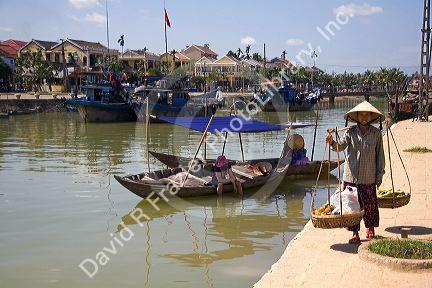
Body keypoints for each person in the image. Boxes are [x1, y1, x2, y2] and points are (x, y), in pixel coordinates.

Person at [325, 101, 385, 244]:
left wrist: (379, 175)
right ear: (357, 116)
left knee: (370, 206)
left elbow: (380, 157)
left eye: (367, 114)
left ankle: (370, 228)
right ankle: (355, 233)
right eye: (361, 114)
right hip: (351, 177)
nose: (364, 117)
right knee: (352, 208)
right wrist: (332, 141)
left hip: (368, 177)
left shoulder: (376, 134)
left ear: (371, 117)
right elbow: (340, 147)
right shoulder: (350, 132)